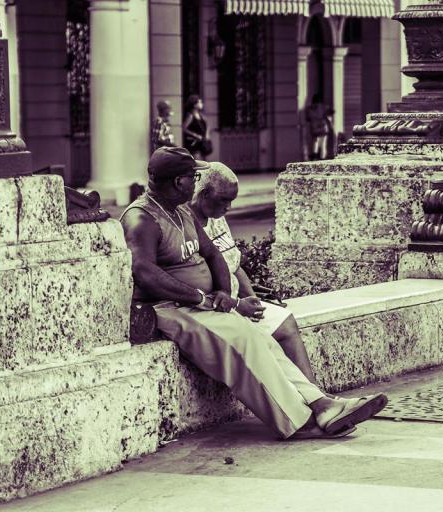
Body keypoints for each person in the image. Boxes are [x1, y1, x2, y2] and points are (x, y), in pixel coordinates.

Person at [120, 147, 387, 440]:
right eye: (193, 176)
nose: (196, 182)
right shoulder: (142, 219)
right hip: (170, 308)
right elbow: (144, 272)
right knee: (244, 342)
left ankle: (320, 404)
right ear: (177, 182)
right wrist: (199, 297)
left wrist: (222, 292)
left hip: (202, 304)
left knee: (261, 338)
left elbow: (213, 255)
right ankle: (298, 423)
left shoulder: (182, 211)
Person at [188, 161, 317, 383]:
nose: (228, 207)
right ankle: (308, 397)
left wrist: (253, 300)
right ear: (204, 194)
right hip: (218, 307)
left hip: (238, 302)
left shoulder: (217, 220)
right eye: (224, 200)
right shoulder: (187, 224)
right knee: (262, 342)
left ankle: (315, 391)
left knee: (286, 322)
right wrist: (238, 305)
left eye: (232, 200)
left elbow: (235, 266)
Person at [305, 93, 333, 160]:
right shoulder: (323, 107)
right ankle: (322, 156)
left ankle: (315, 154)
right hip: (323, 126)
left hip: (314, 127)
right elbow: (331, 112)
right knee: (323, 143)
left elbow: (308, 119)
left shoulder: (309, 109)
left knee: (316, 141)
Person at [182, 95, 210, 159]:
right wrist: (195, 135)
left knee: (203, 161)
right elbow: (184, 128)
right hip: (195, 144)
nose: (202, 104)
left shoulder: (201, 115)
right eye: (200, 102)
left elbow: (207, 125)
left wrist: (207, 134)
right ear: (194, 105)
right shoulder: (190, 116)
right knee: (197, 161)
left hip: (202, 143)